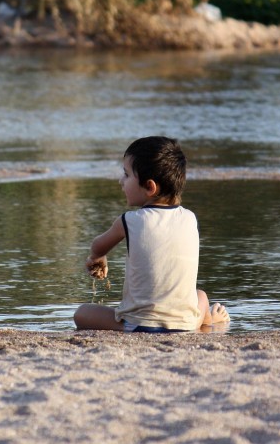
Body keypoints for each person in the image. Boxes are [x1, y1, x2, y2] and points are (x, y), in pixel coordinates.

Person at [73, 136, 229, 332]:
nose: (121, 181)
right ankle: (207, 320)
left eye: (127, 175)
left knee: (81, 313)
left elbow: (97, 246)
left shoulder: (128, 221)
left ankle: (201, 320)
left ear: (149, 187)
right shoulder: (190, 218)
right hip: (185, 325)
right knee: (201, 296)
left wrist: (98, 258)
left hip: (138, 325)